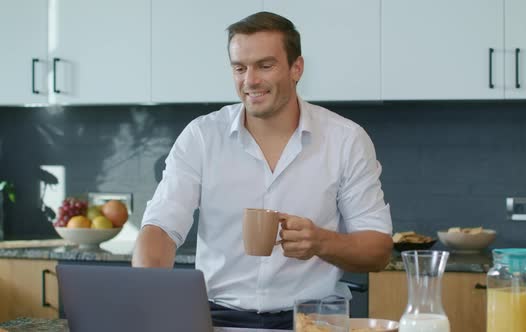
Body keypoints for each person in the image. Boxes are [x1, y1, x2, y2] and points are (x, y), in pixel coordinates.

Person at [132, 11, 393, 330]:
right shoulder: (201, 137)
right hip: (216, 317)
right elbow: (160, 227)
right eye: (239, 68)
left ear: (296, 68)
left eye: (265, 66)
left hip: (312, 320)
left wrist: (321, 242)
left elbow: (378, 250)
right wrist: (148, 301)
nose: (250, 81)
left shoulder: (346, 140)